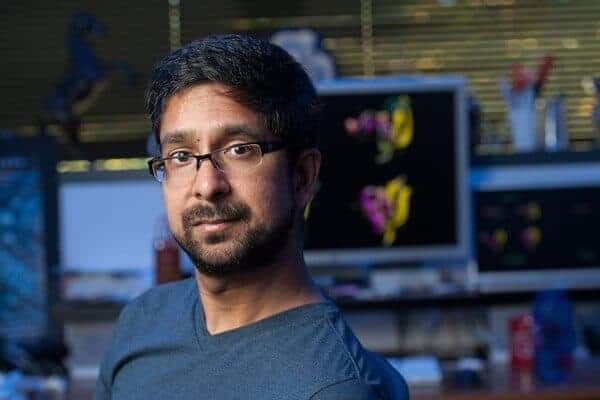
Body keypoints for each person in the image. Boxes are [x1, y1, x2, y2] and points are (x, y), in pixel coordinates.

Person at [93, 34, 408, 400]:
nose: (207, 185)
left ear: (302, 176)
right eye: (181, 156)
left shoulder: (332, 388)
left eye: (239, 149)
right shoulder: (142, 320)